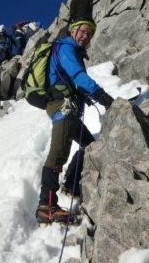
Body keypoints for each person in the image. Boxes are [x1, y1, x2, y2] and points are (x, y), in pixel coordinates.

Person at [35, 16, 114, 224]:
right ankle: (47, 206)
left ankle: (71, 184)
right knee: (58, 153)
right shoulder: (65, 48)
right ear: (73, 31)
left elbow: (70, 80)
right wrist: (100, 95)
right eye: (82, 31)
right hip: (63, 107)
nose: (85, 36)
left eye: (89, 33)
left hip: (69, 106)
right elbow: (77, 75)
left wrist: (84, 96)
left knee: (90, 146)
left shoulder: (69, 50)